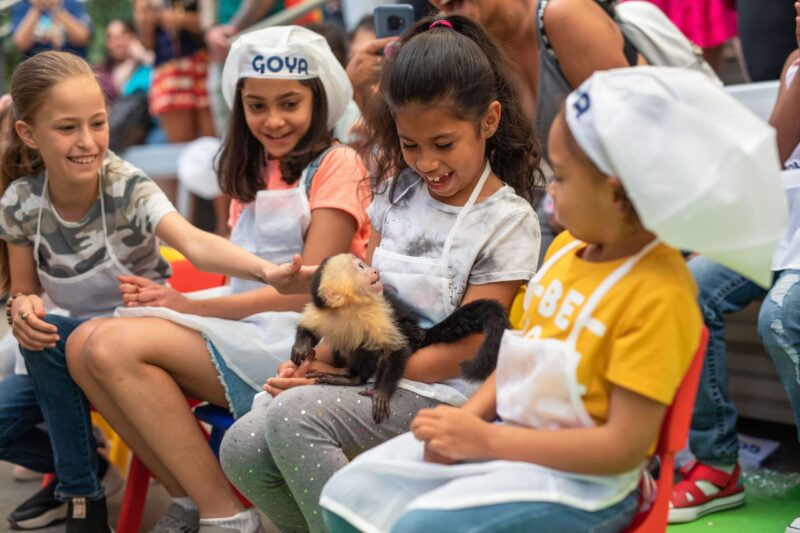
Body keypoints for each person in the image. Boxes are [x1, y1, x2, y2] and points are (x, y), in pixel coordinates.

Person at [319, 65, 787, 533]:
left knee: (421, 527)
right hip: (512, 443)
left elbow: (621, 449)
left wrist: (484, 441)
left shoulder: (660, 296)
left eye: (561, 177)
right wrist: (468, 422)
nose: (550, 193)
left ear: (618, 195)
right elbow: (522, 363)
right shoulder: (566, 251)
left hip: (589, 487)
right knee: (347, 497)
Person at [219, 15, 543, 533]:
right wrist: (312, 362)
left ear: (489, 120)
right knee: (241, 444)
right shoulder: (395, 195)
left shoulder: (506, 220)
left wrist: (352, 375)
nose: (426, 163)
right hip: (374, 372)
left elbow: (469, 349)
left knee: (295, 419)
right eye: (410, 145)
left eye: (443, 144)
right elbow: (358, 300)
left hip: (446, 392)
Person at [66, 26, 370, 533]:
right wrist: (180, 301)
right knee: (82, 345)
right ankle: (191, 496)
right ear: (239, 104)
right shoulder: (251, 165)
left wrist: (188, 305)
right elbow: (239, 280)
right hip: (247, 325)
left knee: (111, 347)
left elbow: (308, 293)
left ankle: (226, 515)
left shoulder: (338, 164)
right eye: (256, 106)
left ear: (320, 101)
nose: (272, 120)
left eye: (289, 103)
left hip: (304, 343)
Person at [0, 51, 312, 532]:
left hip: (130, 334)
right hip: (65, 344)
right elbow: (23, 290)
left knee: (77, 344)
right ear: (28, 134)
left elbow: (194, 243)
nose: (87, 142)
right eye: (67, 128)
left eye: (98, 123)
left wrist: (268, 272)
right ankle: (90, 476)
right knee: (39, 344)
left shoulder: (125, 185)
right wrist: (21, 307)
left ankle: (89, 496)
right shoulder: (21, 202)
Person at [669, 8, 800, 527]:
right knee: (686, 286)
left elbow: (768, 155)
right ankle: (718, 464)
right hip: (783, 233)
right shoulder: (794, 62)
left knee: (782, 317)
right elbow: (774, 169)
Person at [11, 0, 91, 59]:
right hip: (37, 71)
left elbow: (82, 38)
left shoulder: (72, 4)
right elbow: (20, 44)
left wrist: (56, 9)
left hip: (72, 67)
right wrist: (37, 8)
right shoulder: (22, 7)